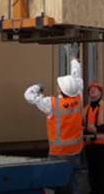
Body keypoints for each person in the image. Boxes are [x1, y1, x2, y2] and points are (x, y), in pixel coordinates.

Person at [24, 56, 84, 194]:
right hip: (75, 152)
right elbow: (78, 79)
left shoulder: (51, 104)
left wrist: (38, 86)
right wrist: (74, 61)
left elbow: (28, 95)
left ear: (60, 90)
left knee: (51, 185)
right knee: (75, 184)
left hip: (58, 153)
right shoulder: (78, 99)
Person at [83, 82, 104, 194]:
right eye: (90, 90)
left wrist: (98, 128)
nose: (92, 91)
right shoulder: (85, 110)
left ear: (100, 93)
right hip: (90, 146)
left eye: (95, 89)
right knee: (93, 173)